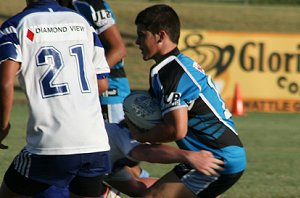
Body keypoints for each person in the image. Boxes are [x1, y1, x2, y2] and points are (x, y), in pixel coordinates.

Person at [127, 4, 247, 198]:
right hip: (218, 153)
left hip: (216, 157)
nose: (137, 42)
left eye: (142, 35)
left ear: (161, 36)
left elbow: (176, 130)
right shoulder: (173, 66)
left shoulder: (170, 72)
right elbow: (160, 116)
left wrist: (141, 136)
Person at [0, 0, 111, 197]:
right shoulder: (82, 22)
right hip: (95, 142)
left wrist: (2, 126)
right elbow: (102, 84)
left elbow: (5, 82)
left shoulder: (16, 25)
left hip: (51, 143)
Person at [34, 121, 224, 198]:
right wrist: (188, 156)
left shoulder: (115, 149)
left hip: (90, 171)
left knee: (139, 189)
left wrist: (187, 192)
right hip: (65, 180)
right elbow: (147, 153)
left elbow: (138, 188)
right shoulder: (120, 134)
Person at [58, 0, 131, 124]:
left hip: (109, 90)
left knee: (115, 142)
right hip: (85, 91)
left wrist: (88, 81)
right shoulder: (56, 6)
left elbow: (118, 49)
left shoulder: (90, 4)